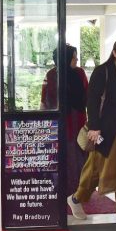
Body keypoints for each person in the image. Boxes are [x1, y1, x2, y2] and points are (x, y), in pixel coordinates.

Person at [67, 39, 116, 227]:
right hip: (107, 129)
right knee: (96, 168)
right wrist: (94, 127)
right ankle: (76, 198)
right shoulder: (103, 71)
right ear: (114, 52)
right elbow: (92, 99)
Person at [41, 44, 88, 193]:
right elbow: (45, 99)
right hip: (62, 122)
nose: (76, 60)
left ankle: (78, 187)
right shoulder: (52, 75)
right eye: (74, 58)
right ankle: (67, 186)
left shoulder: (78, 73)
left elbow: (87, 95)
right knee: (66, 152)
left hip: (76, 121)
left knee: (77, 152)